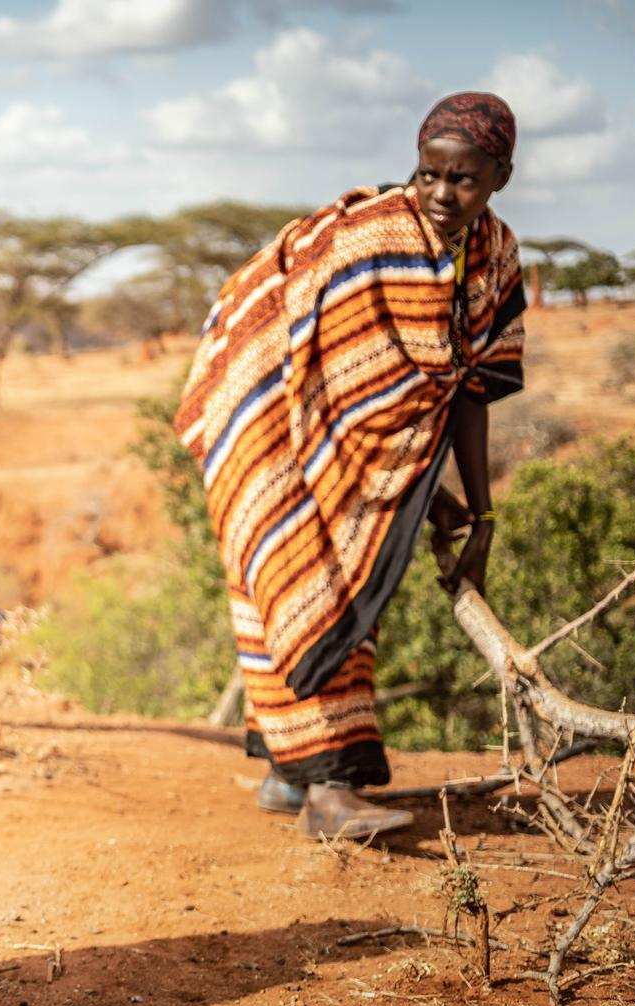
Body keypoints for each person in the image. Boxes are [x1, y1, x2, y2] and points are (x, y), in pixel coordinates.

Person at [174, 92, 525, 840]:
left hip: (345, 433)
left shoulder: (494, 253)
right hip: (272, 415)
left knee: (330, 578)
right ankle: (329, 790)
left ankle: (285, 771)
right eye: (428, 174)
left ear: (501, 175)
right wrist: (414, 490)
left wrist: (476, 508)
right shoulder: (372, 239)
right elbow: (341, 388)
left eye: (464, 179)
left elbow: (473, 385)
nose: (441, 194)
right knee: (316, 579)